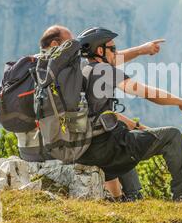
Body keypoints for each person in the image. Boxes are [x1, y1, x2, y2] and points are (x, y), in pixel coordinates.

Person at [16, 25, 164, 199]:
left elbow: (106, 61)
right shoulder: (63, 73)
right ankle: (130, 196)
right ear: (56, 44)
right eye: (72, 43)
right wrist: (136, 127)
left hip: (26, 148)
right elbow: (106, 64)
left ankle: (123, 197)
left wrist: (141, 50)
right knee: (113, 140)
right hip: (52, 148)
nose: (80, 47)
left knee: (107, 135)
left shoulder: (36, 69)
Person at [75, 27, 182, 202]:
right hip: (104, 150)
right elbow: (145, 92)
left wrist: (142, 50)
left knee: (122, 135)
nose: (117, 52)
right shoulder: (105, 71)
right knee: (172, 136)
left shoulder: (84, 70)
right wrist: (181, 102)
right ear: (100, 51)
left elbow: (115, 61)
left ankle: (133, 197)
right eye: (113, 49)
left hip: (85, 148)